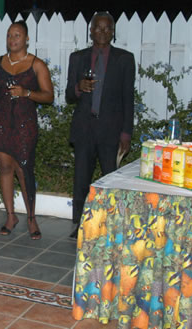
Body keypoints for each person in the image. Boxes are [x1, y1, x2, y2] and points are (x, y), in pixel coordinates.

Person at [0, 21, 53, 240]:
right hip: (1, 122)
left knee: (24, 171)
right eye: (9, 36)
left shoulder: (36, 65)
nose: (12, 39)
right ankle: (10, 216)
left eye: (17, 35)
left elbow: (49, 96)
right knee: (5, 168)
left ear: (26, 39)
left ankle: (31, 218)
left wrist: (27, 93)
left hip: (25, 125)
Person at [65, 12, 135, 239]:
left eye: (107, 28)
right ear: (91, 31)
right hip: (85, 128)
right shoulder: (77, 58)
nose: (103, 32)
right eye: (99, 28)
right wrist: (78, 87)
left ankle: (111, 223)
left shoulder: (124, 59)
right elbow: (68, 95)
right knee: (81, 181)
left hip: (111, 130)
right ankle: (80, 224)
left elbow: (128, 98)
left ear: (113, 32)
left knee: (110, 179)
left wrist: (126, 132)